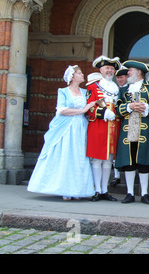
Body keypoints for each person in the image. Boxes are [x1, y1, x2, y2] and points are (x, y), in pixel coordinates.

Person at [27, 65, 96, 200]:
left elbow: (89, 109)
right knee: (65, 155)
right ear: (72, 76)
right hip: (66, 127)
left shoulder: (85, 92)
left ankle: (78, 190)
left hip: (80, 127)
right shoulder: (63, 91)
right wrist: (82, 110)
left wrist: (88, 111)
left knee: (79, 156)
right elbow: (62, 110)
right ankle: (64, 189)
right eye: (79, 73)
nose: (82, 75)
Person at [115, 60, 149, 204]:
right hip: (128, 130)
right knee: (129, 162)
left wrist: (146, 108)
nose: (128, 72)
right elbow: (118, 110)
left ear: (139, 72)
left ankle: (144, 194)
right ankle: (130, 193)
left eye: (130, 70)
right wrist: (129, 106)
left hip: (145, 130)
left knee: (143, 162)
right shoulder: (124, 90)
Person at [86, 55, 121, 202]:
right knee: (96, 159)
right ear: (101, 70)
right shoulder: (93, 87)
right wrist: (102, 112)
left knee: (108, 160)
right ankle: (97, 190)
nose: (110, 71)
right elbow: (89, 107)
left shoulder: (117, 88)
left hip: (114, 127)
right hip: (99, 126)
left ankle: (105, 190)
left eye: (112, 69)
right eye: (107, 68)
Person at [110, 65, 129, 187]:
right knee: (114, 149)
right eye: (117, 78)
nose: (119, 80)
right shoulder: (114, 89)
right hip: (115, 122)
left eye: (121, 77)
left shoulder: (130, 89)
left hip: (126, 122)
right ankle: (116, 176)